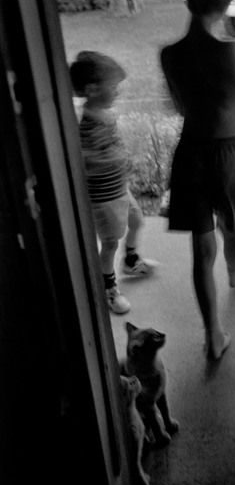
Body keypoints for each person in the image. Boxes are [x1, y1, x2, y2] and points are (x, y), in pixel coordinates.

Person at [160, 0, 235, 360]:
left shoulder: (170, 55)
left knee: (201, 251)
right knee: (231, 224)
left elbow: (183, 107)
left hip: (190, 154)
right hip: (226, 153)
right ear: (224, 4)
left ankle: (213, 335)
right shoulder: (227, 52)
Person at [70, 51, 158, 315]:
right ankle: (108, 289)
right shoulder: (86, 125)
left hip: (119, 189)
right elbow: (85, 161)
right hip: (104, 197)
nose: (118, 92)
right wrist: (113, 158)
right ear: (92, 89)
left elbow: (112, 146)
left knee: (137, 221)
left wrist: (121, 159)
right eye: (113, 87)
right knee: (109, 244)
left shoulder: (105, 115)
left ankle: (131, 261)